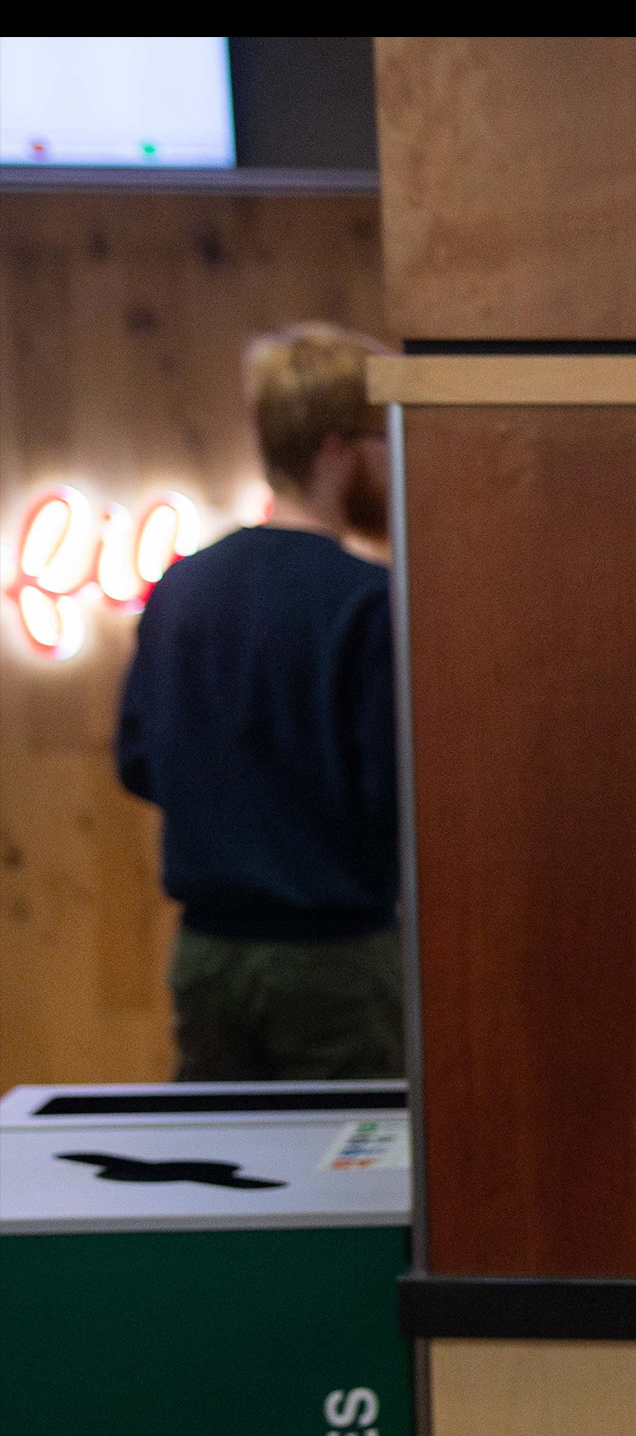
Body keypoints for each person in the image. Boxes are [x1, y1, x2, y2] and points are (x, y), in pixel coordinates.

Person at [116, 321, 402, 1082]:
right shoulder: (367, 600)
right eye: (384, 439)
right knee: (350, 1153)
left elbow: (137, 762)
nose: (394, 461)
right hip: (335, 961)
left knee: (218, 1151)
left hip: (205, 958)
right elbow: (389, 794)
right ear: (338, 448)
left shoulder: (181, 587)